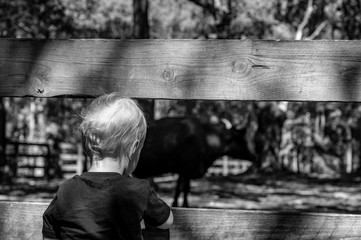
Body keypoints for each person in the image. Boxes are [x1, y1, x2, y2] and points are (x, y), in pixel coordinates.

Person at [42, 93, 173, 240]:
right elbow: (167, 221)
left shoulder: (67, 190)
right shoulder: (138, 190)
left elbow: (49, 232)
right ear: (133, 148)